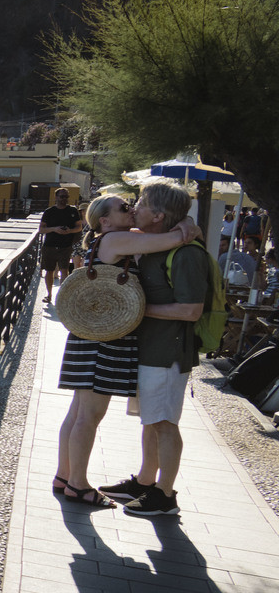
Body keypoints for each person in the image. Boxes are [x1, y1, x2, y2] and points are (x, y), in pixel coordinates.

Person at [53, 195, 196, 507]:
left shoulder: (114, 238)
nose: (130, 210)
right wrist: (186, 224)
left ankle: (64, 475)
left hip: (91, 329)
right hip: (106, 336)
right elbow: (172, 239)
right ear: (105, 220)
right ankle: (78, 484)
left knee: (78, 411)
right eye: (123, 208)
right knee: (90, 415)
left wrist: (184, 222)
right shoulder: (116, 240)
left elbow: (161, 236)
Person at [98, 179, 209, 517]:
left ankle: (165, 494)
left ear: (159, 215)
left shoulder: (187, 253)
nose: (136, 209)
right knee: (150, 420)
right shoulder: (157, 243)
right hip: (151, 350)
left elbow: (191, 310)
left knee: (163, 422)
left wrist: (137, 309)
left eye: (142, 203)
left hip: (168, 352)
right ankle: (146, 481)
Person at [39, 188, 82, 304]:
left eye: (66, 197)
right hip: (50, 245)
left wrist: (70, 231)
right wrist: (54, 229)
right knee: (49, 271)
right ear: (56, 197)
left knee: (64, 270)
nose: (64, 199)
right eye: (62, 196)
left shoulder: (72, 211)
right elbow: (41, 229)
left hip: (66, 245)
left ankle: (62, 296)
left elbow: (79, 227)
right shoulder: (49, 212)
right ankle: (49, 295)